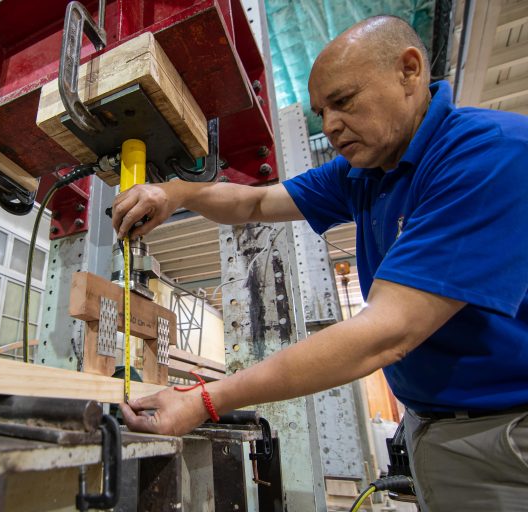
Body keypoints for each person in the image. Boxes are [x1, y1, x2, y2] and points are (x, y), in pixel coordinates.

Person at [112, 15, 528, 510]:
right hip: (437, 426)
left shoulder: (489, 155)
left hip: (505, 435)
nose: (329, 126)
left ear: (410, 71)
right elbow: (255, 204)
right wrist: (175, 191)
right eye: (321, 110)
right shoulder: (368, 171)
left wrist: (206, 400)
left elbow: (385, 333)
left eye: (344, 101)